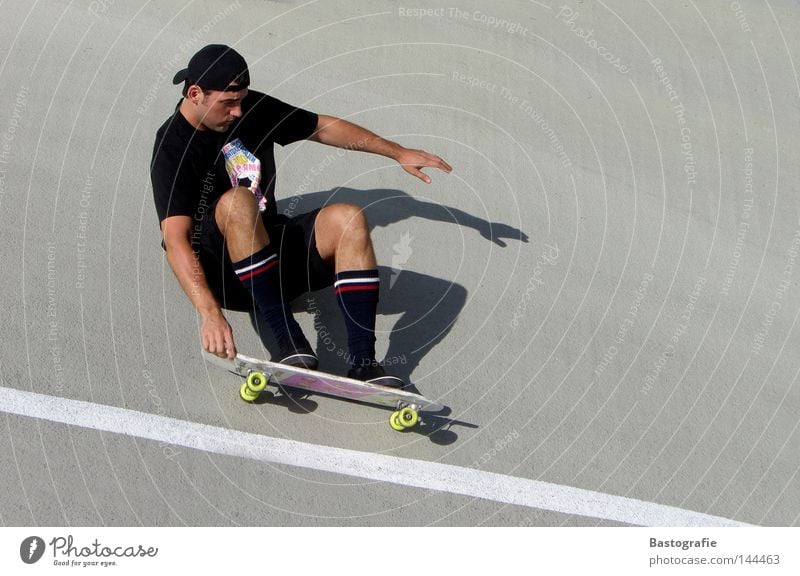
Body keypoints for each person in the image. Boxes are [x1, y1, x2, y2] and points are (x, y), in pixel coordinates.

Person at [150, 44, 451, 387]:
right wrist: (208, 312)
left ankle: (365, 364)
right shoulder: (172, 145)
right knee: (237, 201)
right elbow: (175, 241)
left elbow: (321, 127)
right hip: (224, 275)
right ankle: (287, 342)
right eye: (227, 104)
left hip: (271, 259)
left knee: (348, 218)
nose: (237, 112)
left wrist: (397, 152)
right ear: (195, 93)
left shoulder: (249, 108)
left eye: (241, 100)